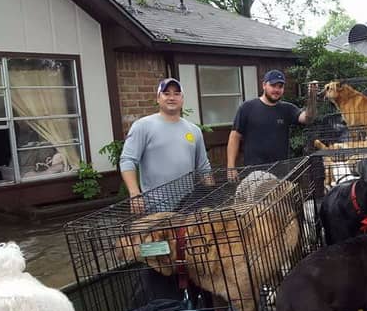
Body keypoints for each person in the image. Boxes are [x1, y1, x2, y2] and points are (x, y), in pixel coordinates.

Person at [120, 78, 212, 212]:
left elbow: (203, 167)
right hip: (155, 207)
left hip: (189, 204)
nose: (171, 98)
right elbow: (127, 160)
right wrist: (135, 194)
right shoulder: (142, 126)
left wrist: (211, 196)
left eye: (176, 94)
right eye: (166, 93)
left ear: (182, 99)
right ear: (158, 98)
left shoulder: (194, 130)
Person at [226, 70, 317, 179]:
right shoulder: (247, 108)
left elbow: (308, 118)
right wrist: (231, 166)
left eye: (280, 86)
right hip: (253, 174)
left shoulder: (287, 109)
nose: (277, 90)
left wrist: (312, 96)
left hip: (281, 174)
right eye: (273, 86)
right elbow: (234, 136)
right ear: (264, 85)